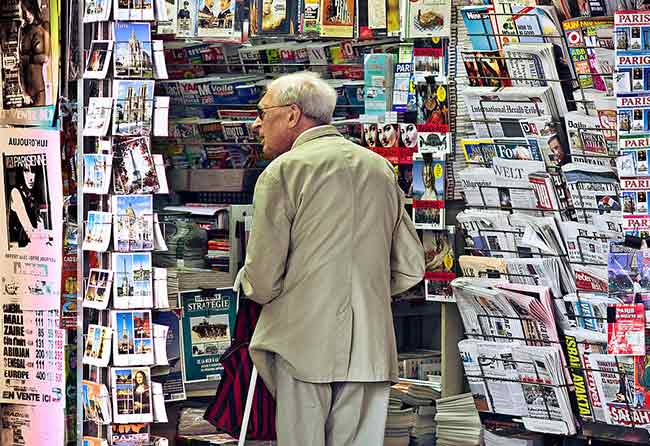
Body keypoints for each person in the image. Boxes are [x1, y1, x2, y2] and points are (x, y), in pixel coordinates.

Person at [236, 72, 425, 445]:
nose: (257, 124)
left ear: (292, 115)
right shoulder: (379, 168)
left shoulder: (284, 172)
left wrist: (247, 283)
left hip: (301, 342)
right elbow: (410, 267)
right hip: (369, 347)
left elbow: (262, 279)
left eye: (262, 112)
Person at [20, 0, 50, 106]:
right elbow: (20, 66)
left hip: (39, 90)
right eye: (24, 12)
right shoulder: (23, 32)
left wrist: (26, 59)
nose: (27, 15)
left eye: (29, 10)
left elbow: (45, 58)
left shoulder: (43, 29)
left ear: (34, 9)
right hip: (25, 89)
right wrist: (23, 90)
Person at [9, 163, 43, 248]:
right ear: (21, 172)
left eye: (33, 171)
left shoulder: (31, 195)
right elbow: (28, 229)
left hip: (30, 244)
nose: (31, 177)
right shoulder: (15, 192)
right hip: (18, 246)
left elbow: (38, 224)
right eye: (26, 171)